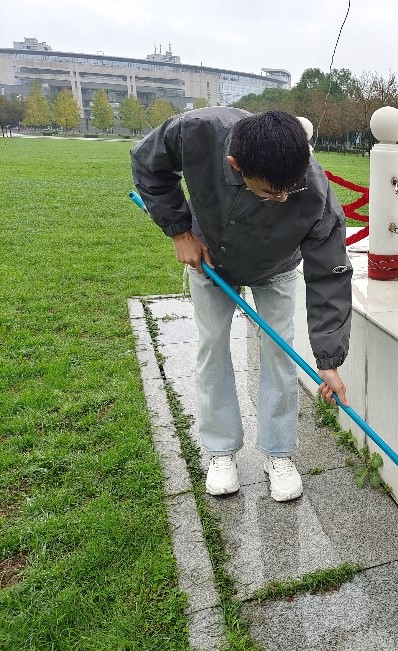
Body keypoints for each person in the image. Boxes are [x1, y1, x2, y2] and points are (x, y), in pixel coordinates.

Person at [131, 108, 352, 502]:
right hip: (209, 258)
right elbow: (148, 165)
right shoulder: (196, 131)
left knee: (279, 352)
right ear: (235, 165)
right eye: (269, 193)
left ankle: (278, 453)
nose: (282, 199)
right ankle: (220, 451)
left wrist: (329, 360)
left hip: (277, 266)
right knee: (212, 346)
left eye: (289, 191)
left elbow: (329, 275)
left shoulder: (315, 192)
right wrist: (179, 232)